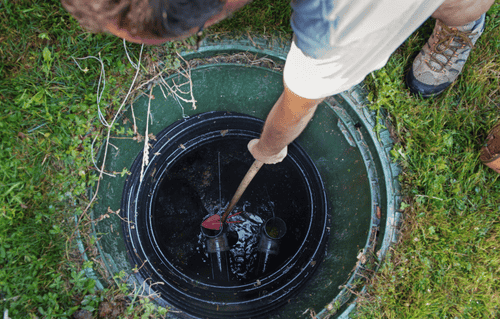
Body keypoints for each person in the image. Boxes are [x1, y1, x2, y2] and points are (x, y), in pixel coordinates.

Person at [62, 0, 495, 165]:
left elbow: (299, 105)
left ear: (218, 12)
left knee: (456, 3)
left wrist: (268, 147)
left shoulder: (336, 23)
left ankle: (463, 21)